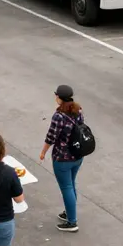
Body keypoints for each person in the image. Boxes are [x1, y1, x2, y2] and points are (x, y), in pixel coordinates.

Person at [40, 84, 84, 232]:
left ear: (59, 98)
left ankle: (72, 222)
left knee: (66, 187)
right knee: (71, 184)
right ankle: (69, 213)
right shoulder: (78, 110)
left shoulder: (58, 116)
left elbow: (51, 137)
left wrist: (43, 152)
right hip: (77, 156)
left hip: (62, 158)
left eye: (56, 95)